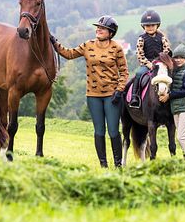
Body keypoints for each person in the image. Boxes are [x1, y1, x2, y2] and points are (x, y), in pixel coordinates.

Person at [51, 15, 128, 168]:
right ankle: (103, 165)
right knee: (99, 130)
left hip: (112, 95)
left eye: (102, 28)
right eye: (98, 27)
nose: (98, 29)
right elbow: (69, 54)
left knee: (113, 131)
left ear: (111, 32)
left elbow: (124, 72)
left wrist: (119, 91)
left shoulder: (116, 48)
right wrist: (54, 42)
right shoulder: (88, 45)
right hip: (93, 96)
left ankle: (118, 165)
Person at [158, 43, 185, 159]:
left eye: (181, 58)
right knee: (184, 136)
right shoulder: (174, 72)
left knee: (180, 137)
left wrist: (169, 95)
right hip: (176, 108)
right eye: (176, 57)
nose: (178, 60)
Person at [128, 9, 171, 107]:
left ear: (157, 25)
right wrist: (149, 64)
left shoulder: (162, 38)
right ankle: (135, 97)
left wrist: (161, 62)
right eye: (147, 25)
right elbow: (140, 55)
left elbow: (166, 51)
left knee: (172, 73)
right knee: (138, 74)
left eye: (152, 25)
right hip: (147, 64)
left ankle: (172, 94)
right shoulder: (141, 39)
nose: (150, 27)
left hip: (161, 63)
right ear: (143, 26)